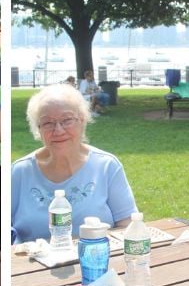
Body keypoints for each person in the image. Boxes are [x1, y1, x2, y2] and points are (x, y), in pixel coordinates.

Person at [11, 83, 136, 244]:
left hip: (94, 262)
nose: (58, 130)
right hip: (31, 265)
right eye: (48, 123)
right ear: (38, 128)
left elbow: (127, 225)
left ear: (82, 121)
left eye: (67, 120)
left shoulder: (107, 166)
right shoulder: (19, 172)